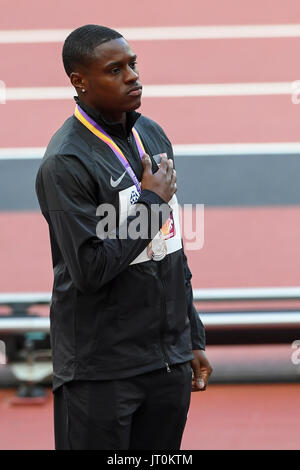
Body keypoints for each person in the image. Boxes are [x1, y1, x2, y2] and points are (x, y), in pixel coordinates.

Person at [35, 24, 212, 450]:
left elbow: (170, 247)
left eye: (133, 65)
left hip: (165, 362)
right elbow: (91, 268)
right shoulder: (65, 163)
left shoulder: (150, 133)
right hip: (103, 372)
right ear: (79, 82)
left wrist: (192, 334)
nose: (132, 77)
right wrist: (150, 203)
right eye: (115, 70)